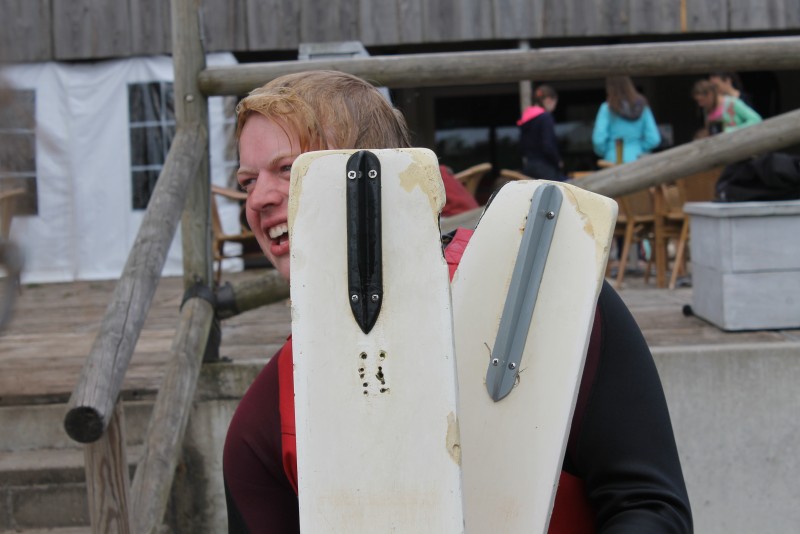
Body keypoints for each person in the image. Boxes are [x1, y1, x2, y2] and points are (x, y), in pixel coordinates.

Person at [223, 70, 693, 533]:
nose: (258, 199)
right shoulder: (267, 415)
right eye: (247, 181)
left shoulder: (547, 298)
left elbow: (651, 507)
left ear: (377, 172)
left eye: (288, 170)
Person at [592, 76, 661, 164]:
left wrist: (608, 150)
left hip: (612, 161)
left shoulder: (606, 108)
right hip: (638, 160)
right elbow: (654, 139)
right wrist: (638, 148)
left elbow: (598, 140)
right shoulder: (643, 107)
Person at [517, 84, 565, 181]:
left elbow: (521, 146)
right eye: (554, 103)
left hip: (529, 167)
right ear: (548, 100)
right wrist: (558, 161)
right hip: (545, 168)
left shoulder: (525, 118)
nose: (554, 107)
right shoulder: (545, 117)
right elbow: (548, 145)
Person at [692, 79, 762, 135]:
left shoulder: (732, 103)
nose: (700, 104)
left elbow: (756, 119)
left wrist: (731, 130)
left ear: (710, 95)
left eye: (702, 100)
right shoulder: (707, 110)